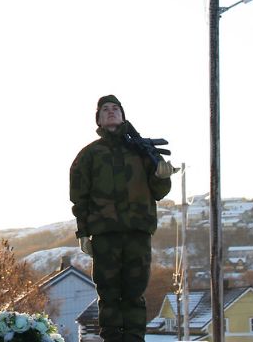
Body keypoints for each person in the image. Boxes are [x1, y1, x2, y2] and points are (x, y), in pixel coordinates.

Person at [70, 95, 174, 342]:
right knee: (108, 294)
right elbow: (79, 198)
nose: (110, 112)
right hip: (105, 235)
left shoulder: (142, 151)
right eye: (105, 109)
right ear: (98, 119)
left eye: (115, 108)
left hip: (138, 231)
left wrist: (162, 176)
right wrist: (83, 232)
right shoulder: (88, 155)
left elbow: (159, 192)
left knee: (134, 294)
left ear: (123, 115)